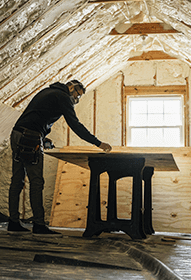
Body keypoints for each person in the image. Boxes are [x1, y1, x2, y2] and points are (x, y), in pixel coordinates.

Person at [7, 80, 112, 236]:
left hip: (17, 134)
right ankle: (39, 225)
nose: (77, 99)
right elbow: (75, 124)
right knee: (36, 182)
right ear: (71, 88)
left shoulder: (47, 92)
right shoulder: (62, 96)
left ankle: (13, 222)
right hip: (30, 138)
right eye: (77, 94)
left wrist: (43, 138)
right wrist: (98, 143)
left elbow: (35, 117)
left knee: (17, 180)